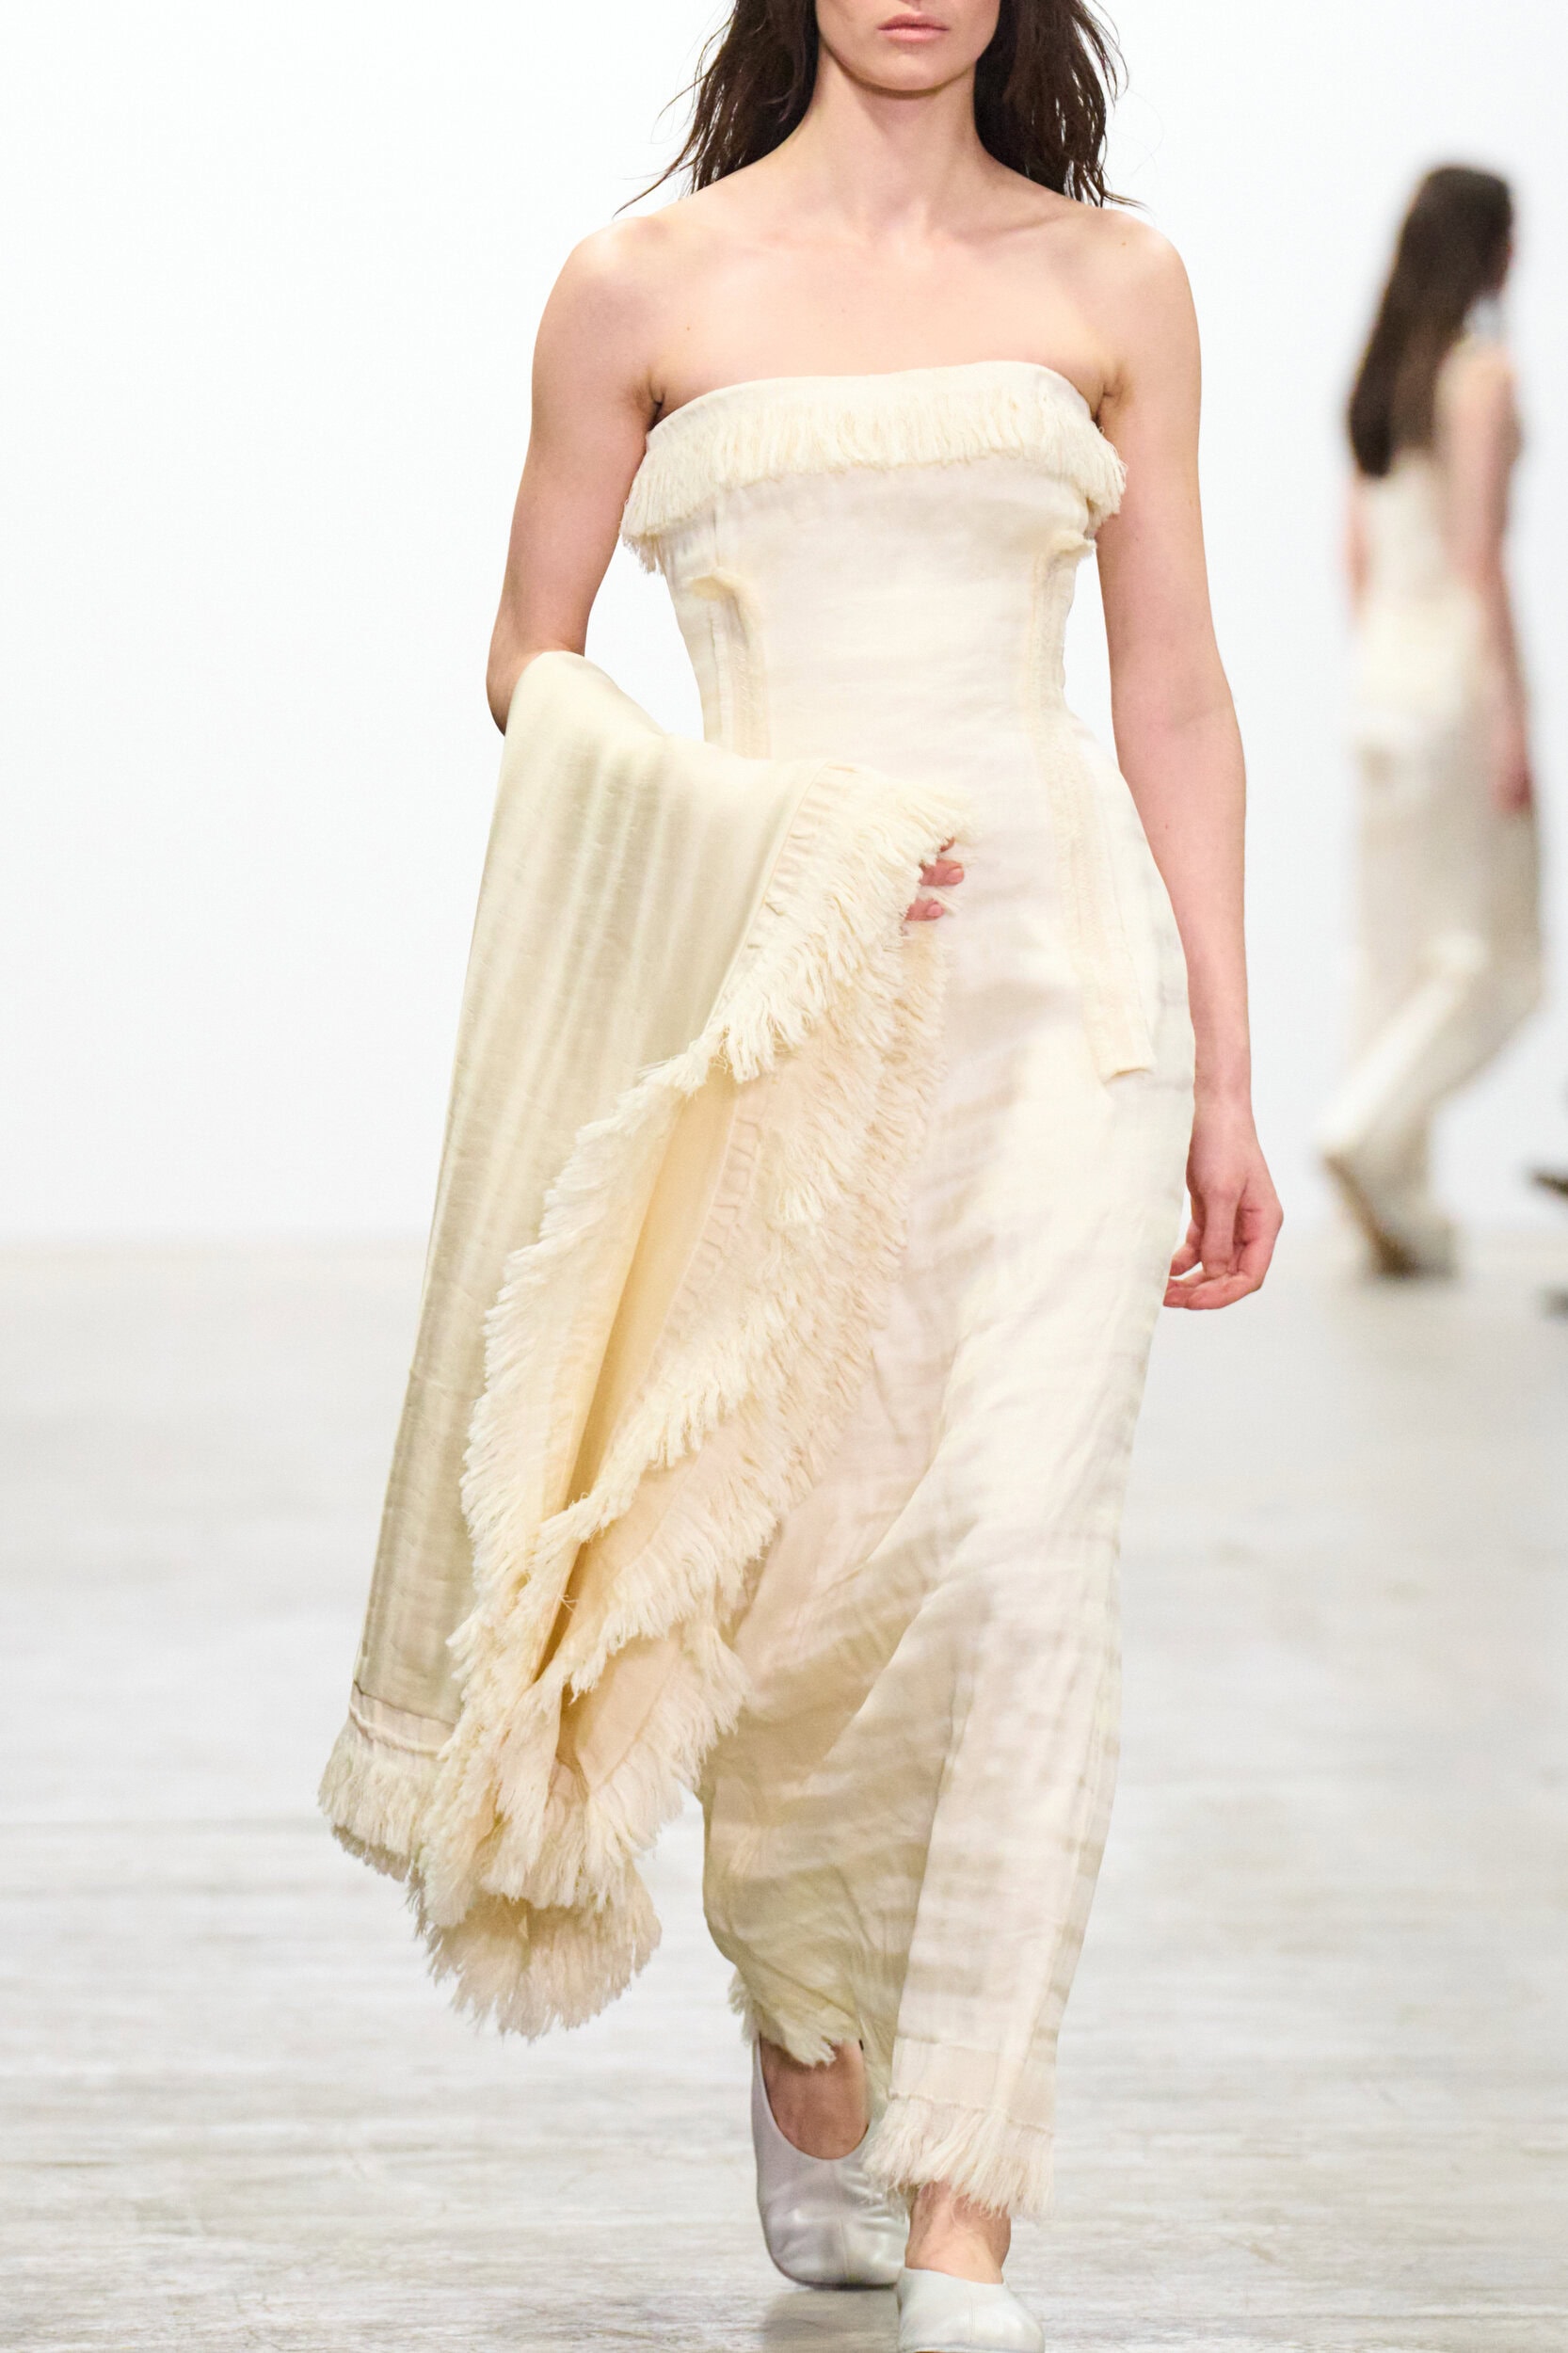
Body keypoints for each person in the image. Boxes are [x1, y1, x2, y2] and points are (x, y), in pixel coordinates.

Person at [322, 7, 1280, 2347]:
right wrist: (773, 838)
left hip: (1064, 998)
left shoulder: (1115, 283)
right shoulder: (639, 287)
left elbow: (1171, 686)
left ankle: (963, 2213)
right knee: (796, 1576)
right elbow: (531, 659)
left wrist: (1230, 1077)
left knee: (1024, 1566)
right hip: (780, 1007)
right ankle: (813, 2029)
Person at [1320, 165, 1542, 1277]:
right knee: (1493, 959)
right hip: (1451, 685)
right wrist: (1511, 723)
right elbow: (1477, 561)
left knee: (1394, 950)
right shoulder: (1477, 377)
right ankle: (1365, 1132)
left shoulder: (1379, 384)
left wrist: (1381, 670)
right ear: (1490, 248)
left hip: (1381, 686)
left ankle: (1401, 1201)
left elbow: (1356, 554)